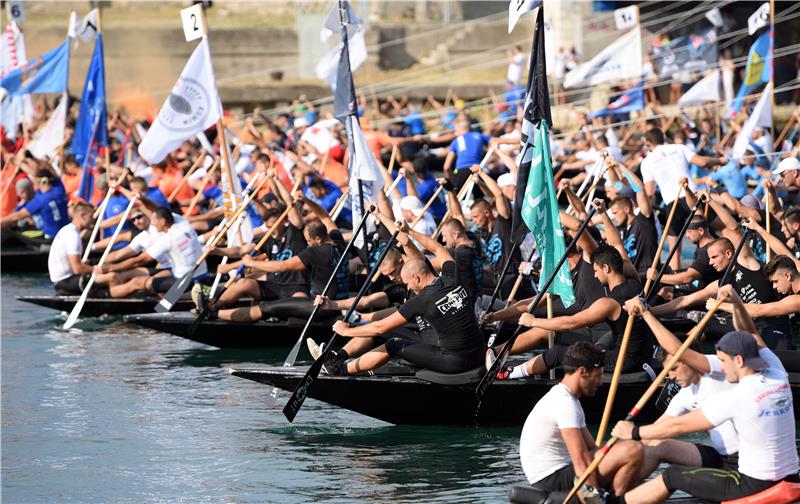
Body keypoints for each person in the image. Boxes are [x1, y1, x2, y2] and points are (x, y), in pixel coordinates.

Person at [612, 295, 799, 503]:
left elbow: (678, 427)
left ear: (738, 360)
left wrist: (634, 431)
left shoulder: (737, 396)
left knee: (672, 476)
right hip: (782, 474)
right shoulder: (776, 372)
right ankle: (613, 493)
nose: (721, 366)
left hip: (751, 482)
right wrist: (736, 302)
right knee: (659, 446)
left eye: (722, 361)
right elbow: (751, 333)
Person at [622, 293, 740, 480]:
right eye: (667, 370)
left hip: (746, 461)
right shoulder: (684, 395)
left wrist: (645, 312)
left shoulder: (718, 366)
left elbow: (678, 351)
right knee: (654, 445)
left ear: (689, 359)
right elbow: (655, 430)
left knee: (670, 476)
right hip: (722, 458)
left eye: (674, 367)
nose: (670, 375)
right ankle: (613, 495)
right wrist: (618, 446)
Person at [496, 245, 651, 378]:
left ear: (606, 268)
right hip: (643, 353)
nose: (595, 276)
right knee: (589, 348)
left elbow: (571, 323)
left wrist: (533, 321)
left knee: (558, 353)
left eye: (596, 271)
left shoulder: (608, 303)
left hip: (624, 362)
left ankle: (510, 374)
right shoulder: (635, 284)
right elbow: (617, 242)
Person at [322, 249, 484, 376]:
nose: (407, 287)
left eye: (393, 273)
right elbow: (368, 301)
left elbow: (380, 328)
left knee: (392, 343)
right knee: (379, 330)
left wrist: (346, 331)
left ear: (416, 277)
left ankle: (340, 369)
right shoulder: (450, 279)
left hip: (446, 353)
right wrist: (333, 305)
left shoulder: (422, 297)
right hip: (470, 351)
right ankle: (339, 357)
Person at [519, 341, 644, 500]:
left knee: (636, 448)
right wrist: (594, 500)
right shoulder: (565, 403)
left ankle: (616, 498)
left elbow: (593, 449)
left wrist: (623, 441)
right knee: (632, 451)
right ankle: (608, 500)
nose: (600, 382)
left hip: (562, 471)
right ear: (583, 372)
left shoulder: (570, 399)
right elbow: (581, 461)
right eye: (598, 376)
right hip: (551, 479)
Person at [640, 128, 726, 270]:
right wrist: (720, 161)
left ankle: (677, 280)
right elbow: (702, 162)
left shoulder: (647, 162)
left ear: (648, 143)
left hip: (672, 202)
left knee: (674, 248)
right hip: (692, 195)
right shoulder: (678, 148)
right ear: (664, 137)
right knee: (723, 227)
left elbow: (649, 192)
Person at [95, 207, 207, 296]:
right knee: (125, 275)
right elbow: (120, 255)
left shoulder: (167, 239)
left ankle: (100, 295)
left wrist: (109, 268)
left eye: (153, 219)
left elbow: (139, 261)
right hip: (194, 272)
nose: (152, 223)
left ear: (162, 221)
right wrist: (95, 262)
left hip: (182, 279)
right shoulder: (182, 222)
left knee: (140, 282)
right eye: (133, 219)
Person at [47, 201, 106, 296]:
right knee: (110, 278)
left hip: (62, 279)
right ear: (82, 216)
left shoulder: (67, 229)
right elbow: (77, 269)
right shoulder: (73, 235)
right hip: (66, 281)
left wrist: (84, 265)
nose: (93, 220)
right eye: (91, 217)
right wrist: (94, 269)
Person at [1, 169, 69, 239]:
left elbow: (19, 215)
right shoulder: (59, 189)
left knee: (18, 232)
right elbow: (49, 169)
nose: (34, 183)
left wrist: (2, 221)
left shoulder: (40, 200)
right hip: (67, 232)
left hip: (51, 238)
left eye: (35, 181)